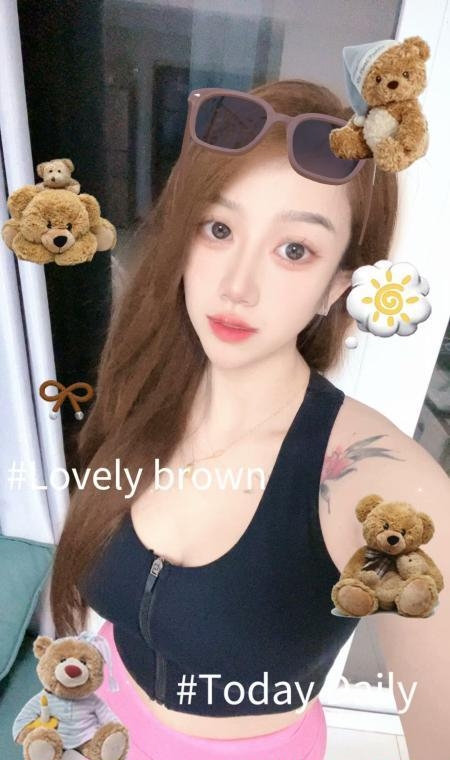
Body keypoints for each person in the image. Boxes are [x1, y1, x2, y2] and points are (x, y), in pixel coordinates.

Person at [50, 79, 450, 760]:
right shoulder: (145, 390)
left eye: (295, 249)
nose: (237, 286)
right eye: (219, 229)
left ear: (337, 286)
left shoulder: (382, 490)